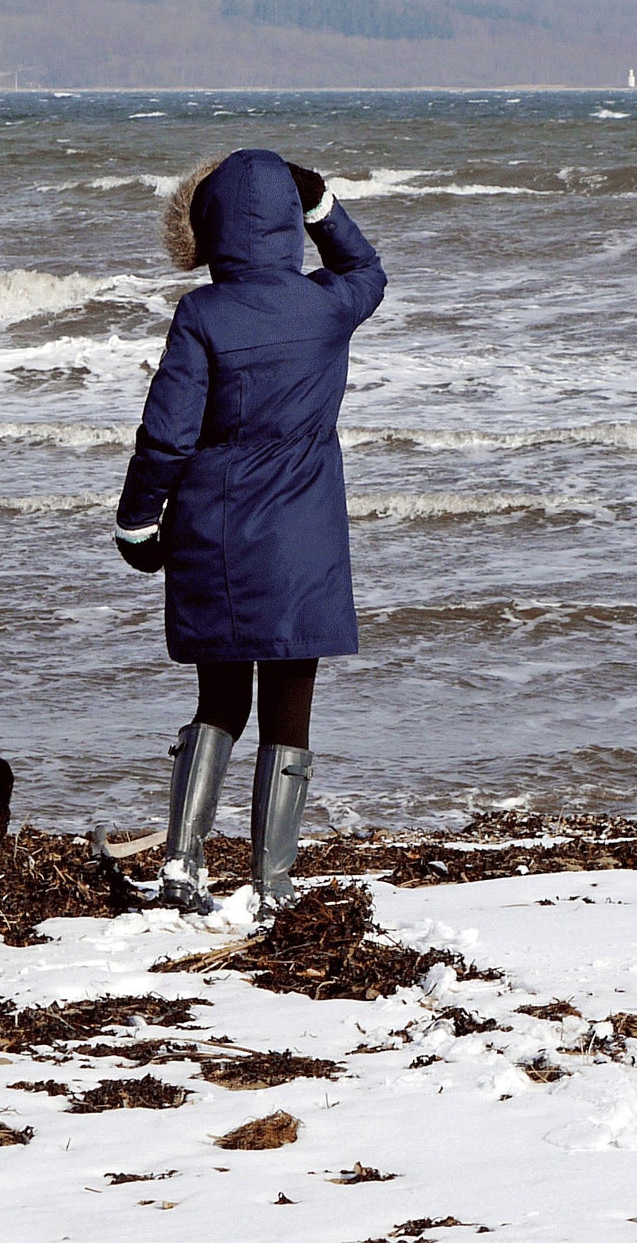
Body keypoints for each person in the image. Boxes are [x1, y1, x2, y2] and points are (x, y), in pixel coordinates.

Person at [113, 148, 385, 916]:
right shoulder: (327, 305)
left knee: (219, 700)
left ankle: (180, 864)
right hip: (303, 541)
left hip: (216, 536)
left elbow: (165, 436)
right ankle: (272, 885)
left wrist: (137, 522)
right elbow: (369, 270)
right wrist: (325, 206)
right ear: (284, 224)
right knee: (290, 708)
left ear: (214, 227)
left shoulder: (202, 315)